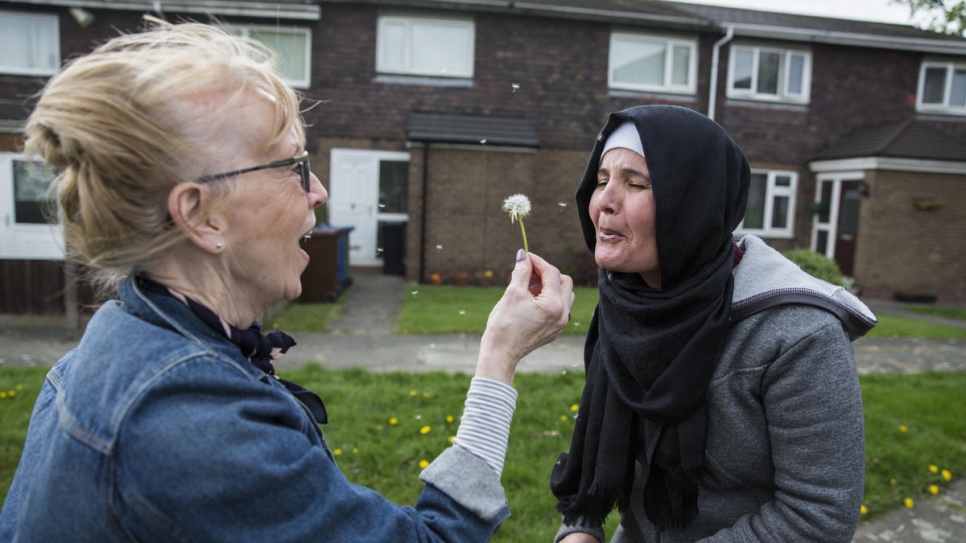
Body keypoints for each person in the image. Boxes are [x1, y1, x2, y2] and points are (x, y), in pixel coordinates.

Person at [0, 19, 574, 542]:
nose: (318, 191)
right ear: (200, 215)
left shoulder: (102, 355)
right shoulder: (193, 427)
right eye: (292, 165)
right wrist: (500, 358)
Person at [550, 105, 877, 543]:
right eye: (602, 179)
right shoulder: (626, 304)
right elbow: (599, 448)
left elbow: (818, 516)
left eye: (636, 183)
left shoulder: (799, 334)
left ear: (693, 200)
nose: (605, 201)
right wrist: (580, 530)